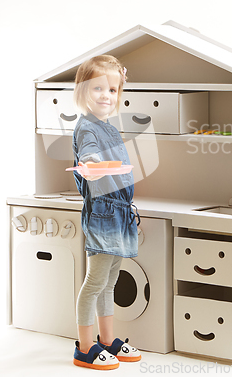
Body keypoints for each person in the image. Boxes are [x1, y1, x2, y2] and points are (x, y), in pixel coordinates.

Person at [71, 55, 141, 370]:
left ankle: (107, 340)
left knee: (110, 281)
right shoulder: (87, 127)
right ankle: (85, 347)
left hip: (119, 213)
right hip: (102, 212)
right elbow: (88, 156)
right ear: (83, 92)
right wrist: (92, 167)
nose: (105, 96)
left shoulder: (108, 126)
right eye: (97, 88)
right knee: (95, 281)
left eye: (112, 90)